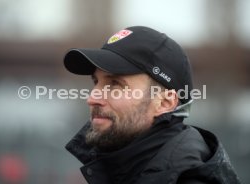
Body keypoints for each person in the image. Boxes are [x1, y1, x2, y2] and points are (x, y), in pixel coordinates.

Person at [63, 26, 241, 184]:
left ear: (164, 103)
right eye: (96, 82)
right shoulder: (123, 170)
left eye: (115, 84)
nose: (92, 98)